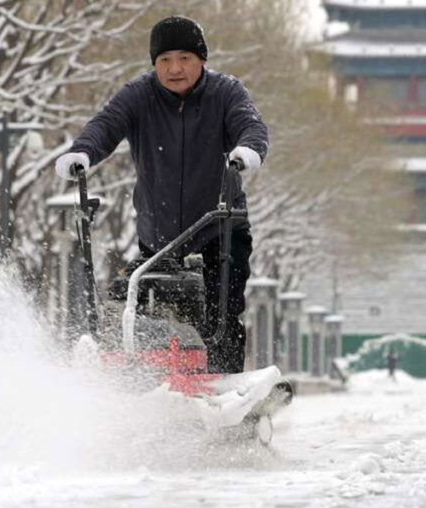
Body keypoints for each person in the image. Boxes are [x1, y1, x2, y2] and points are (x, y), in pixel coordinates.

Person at [54, 16, 269, 374]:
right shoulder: (139, 94)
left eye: (184, 58)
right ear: (154, 64)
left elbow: (252, 125)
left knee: (222, 315)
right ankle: (145, 379)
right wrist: (82, 153)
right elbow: (106, 125)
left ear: (201, 59)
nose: (175, 69)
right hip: (160, 236)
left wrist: (248, 151)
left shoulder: (227, 92)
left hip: (220, 229)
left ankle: (222, 385)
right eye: (164, 60)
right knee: (137, 305)